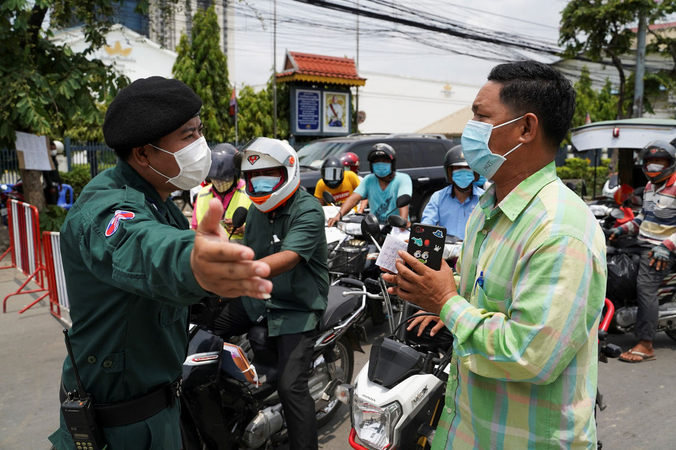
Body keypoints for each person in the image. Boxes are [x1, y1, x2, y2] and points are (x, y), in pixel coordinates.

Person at [383, 61, 606, 449]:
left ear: (525, 129)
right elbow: (480, 300)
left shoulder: (560, 230)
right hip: (470, 430)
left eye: (480, 116)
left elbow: (530, 356)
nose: (470, 129)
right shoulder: (489, 210)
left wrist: (447, 302)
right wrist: (432, 293)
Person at [48, 77, 272, 450]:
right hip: (120, 426)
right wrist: (191, 261)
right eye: (187, 136)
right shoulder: (106, 205)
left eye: (199, 131)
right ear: (143, 154)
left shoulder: (160, 200)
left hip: (161, 407)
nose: (200, 144)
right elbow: (141, 245)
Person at [212, 137, 328, 450]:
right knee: (204, 335)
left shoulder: (308, 210)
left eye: (267, 174)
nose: (257, 182)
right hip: (256, 298)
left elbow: (288, 257)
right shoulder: (254, 211)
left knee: (291, 388)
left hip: (296, 306)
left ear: (289, 170)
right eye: (250, 176)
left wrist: (239, 272)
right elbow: (249, 253)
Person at [609, 140, 676, 363]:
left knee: (645, 286)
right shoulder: (649, 187)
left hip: (665, 248)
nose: (653, 165)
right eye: (649, 161)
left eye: (659, 160)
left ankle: (646, 343)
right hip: (644, 242)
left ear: (670, 163)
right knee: (612, 260)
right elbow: (643, 218)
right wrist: (622, 229)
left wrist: (667, 246)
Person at [327, 143, 412, 226]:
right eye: (377, 161)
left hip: (396, 227)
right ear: (371, 165)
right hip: (375, 228)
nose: (380, 164)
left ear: (392, 164)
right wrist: (338, 216)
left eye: (385, 161)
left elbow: (403, 202)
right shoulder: (369, 179)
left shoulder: (403, 179)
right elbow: (353, 199)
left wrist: (403, 221)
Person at [421, 145, 484, 239]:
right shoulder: (438, 197)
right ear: (450, 172)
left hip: (473, 251)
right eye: (458, 168)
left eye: (468, 168)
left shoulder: (484, 198)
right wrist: (420, 235)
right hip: (445, 249)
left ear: (475, 172)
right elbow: (427, 224)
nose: (463, 172)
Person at [191, 143, 251, 241]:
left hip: (239, 252)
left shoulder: (248, 193)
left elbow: (262, 228)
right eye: (215, 179)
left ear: (235, 175)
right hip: (209, 252)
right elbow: (194, 228)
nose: (219, 183)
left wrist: (244, 229)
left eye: (224, 179)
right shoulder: (202, 193)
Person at [44, 140, 64, 205]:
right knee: (51, 203)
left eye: (54, 149)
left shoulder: (54, 160)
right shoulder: (47, 160)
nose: (53, 151)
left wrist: (60, 183)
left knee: (55, 202)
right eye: (51, 149)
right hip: (49, 186)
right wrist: (51, 187)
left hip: (56, 185)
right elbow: (46, 174)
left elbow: (56, 173)